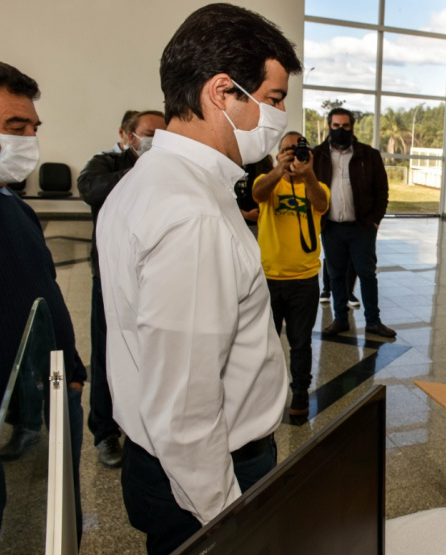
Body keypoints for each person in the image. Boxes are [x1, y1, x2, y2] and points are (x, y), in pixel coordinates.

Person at [95, 4, 301, 553]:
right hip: (205, 481)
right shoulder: (193, 214)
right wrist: (227, 520)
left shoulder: (150, 183)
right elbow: (185, 413)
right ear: (222, 92)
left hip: (161, 465)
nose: (280, 115)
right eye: (274, 99)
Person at [0, 58, 86, 550]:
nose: (28, 139)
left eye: (32, 127)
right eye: (14, 126)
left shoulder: (15, 207)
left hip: (47, 387)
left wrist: (70, 365)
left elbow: (44, 292)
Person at [78, 109, 167, 468]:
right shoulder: (107, 162)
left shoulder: (168, 167)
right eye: (148, 134)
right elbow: (90, 189)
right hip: (112, 277)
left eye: (162, 135)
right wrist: (142, 169)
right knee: (107, 351)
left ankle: (142, 423)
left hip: (153, 274)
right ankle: (104, 432)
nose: (154, 141)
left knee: (149, 351)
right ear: (128, 135)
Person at [253, 131, 329, 416]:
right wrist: (280, 169)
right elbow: (257, 194)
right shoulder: (268, 183)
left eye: (297, 151)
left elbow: (321, 204)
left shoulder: (317, 185)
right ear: (277, 153)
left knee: (301, 342)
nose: (293, 155)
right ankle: (265, 394)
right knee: (265, 343)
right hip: (269, 279)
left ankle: (299, 393)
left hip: (304, 280)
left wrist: (307, 174)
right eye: (286, 150)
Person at [313, 107, 395, 337]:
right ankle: (340, 319)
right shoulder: (317, 155)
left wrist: (375, 221)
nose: (341, 130)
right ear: (329, 126)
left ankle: (373, 321)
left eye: (345, 126)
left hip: (361, 227)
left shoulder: (369, 155)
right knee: (335, 274)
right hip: (331, 227)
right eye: (336, 126)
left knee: (367, 273)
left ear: (352, 127)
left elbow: (382, 191)